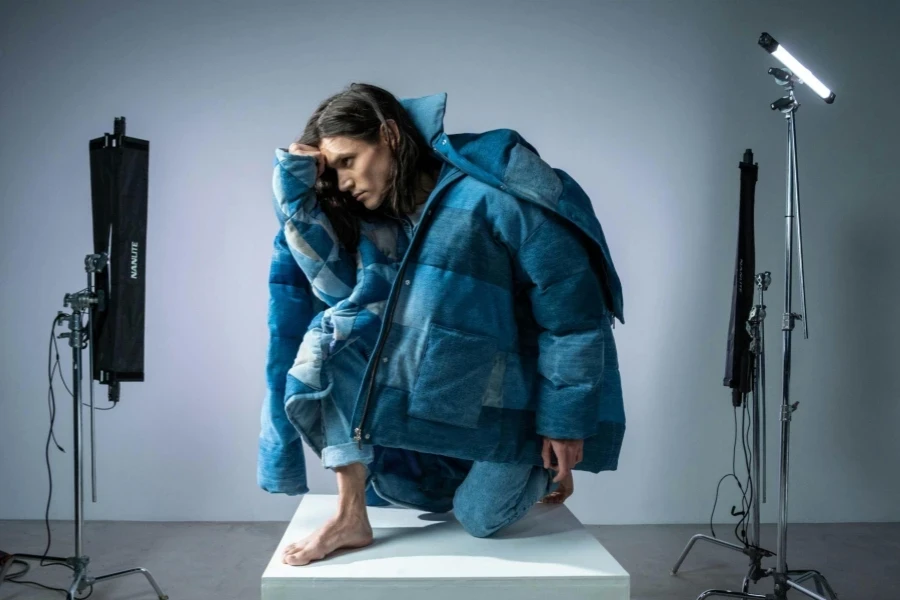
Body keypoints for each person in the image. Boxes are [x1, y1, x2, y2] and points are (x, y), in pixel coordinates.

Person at [258, 83, 625, 567]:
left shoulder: (497, 196)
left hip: (512, 403)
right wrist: (294, 180)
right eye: (335, 169)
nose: (343, 181)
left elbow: (573, 319)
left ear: (389, 134)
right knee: (333, 339)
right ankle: (351, 515)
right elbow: (333, 288)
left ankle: (538, 464)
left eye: (348, 161)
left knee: (478, 517)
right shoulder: (381, 221)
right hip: (436, 389)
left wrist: (563, 424)